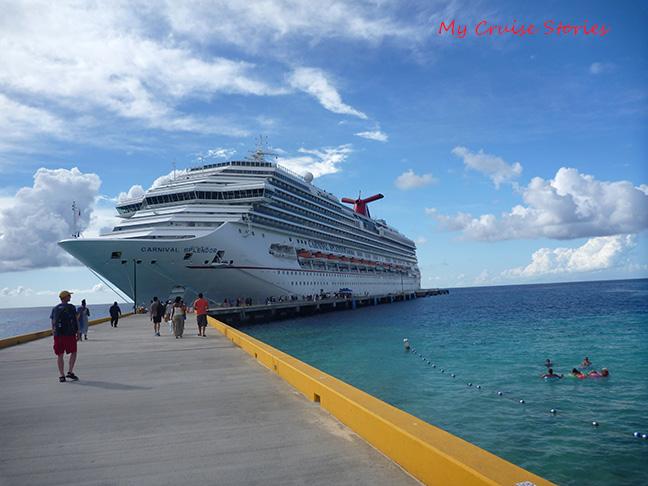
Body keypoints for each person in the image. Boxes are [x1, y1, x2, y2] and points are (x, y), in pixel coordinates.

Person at [50, 290, 81, 382]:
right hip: (69, 334)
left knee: (60, 355)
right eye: (69, 296)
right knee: (74, 352)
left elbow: (53, 323)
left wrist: (54, 334)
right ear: (65, 297)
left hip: (58, 335)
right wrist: (78, 333)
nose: (70, 297)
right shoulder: (71, 307)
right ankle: (70, 371)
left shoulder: (55, 309)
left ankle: (61, 375)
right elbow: (75, 321)